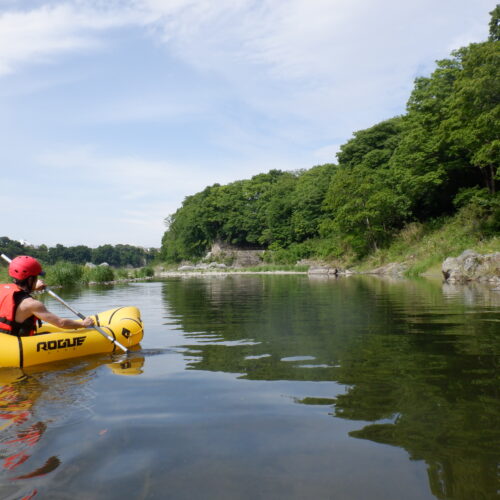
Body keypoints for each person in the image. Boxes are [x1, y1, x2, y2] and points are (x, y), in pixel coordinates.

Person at [0, 256, 94, 336]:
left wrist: (33, 288)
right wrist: (83, 324)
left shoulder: (2, 289)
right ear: (30, 279)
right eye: (36, 277)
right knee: (48, 334)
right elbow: (61, 323)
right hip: (18, 343)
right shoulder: (32, 304)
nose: (38, 279)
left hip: (5, 339)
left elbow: (18, 298)